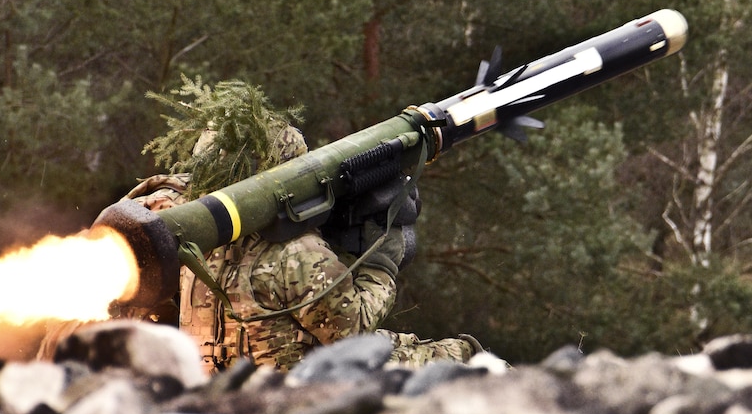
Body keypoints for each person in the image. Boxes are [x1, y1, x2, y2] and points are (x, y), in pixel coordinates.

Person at [116, 79, 480, 372]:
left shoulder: (187, 233)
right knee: (464, 357)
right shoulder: (295, 253)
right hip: (300, 390)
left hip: (217, 388)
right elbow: (352, 331)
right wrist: (381, 264)